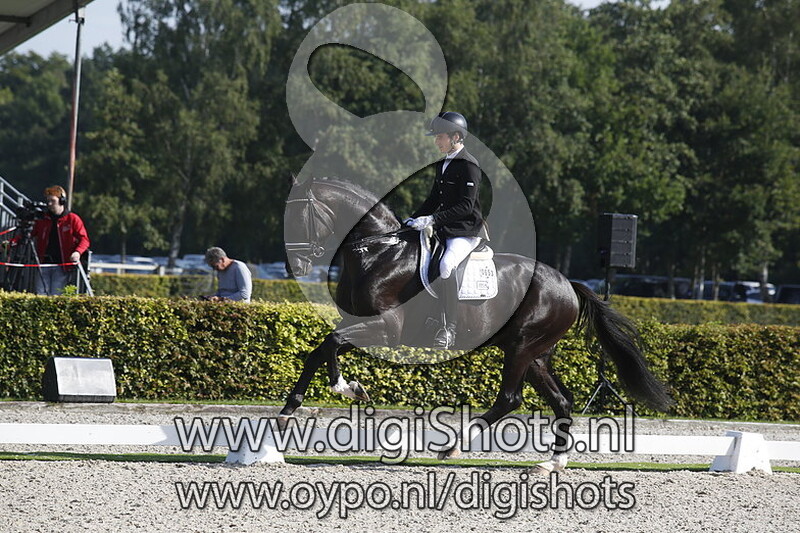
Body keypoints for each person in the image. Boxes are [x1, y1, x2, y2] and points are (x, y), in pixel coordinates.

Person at [404, 111, 488, 349]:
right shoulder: (443, 164)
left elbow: (466, 206)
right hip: (446, 228)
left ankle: (449, 328)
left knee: (446, 265)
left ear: (455, 137)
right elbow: (433, 199)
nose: (436, 141)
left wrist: (432, 219)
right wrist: (413, 219)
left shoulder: (469, 165)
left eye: (440, 137)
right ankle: (429, 315)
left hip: (466, 230)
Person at [31, 185, 90, 295]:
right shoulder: (42, 219)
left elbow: (84, 240)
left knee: (56, 294)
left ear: (62, 201)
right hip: (43, 264)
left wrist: (77, 252)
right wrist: (10, 243)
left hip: (62, 266)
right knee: (40, 294)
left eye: (53, 201)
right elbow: (28, 234)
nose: (49, 204)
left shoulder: (72, 219)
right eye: (48, 201)